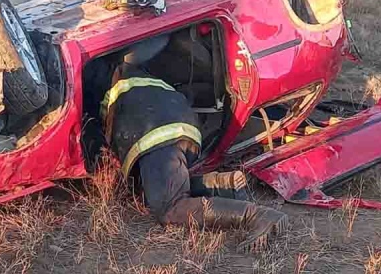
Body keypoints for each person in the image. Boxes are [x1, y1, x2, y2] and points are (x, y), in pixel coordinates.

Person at [84, 42, 288, 252]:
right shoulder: (123, 68)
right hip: (186, 124)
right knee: (151, 189)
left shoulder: (86, 83)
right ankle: (221, 185)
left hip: (155, 133)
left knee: (170, 209)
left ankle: (255, 215)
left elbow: (91, 140)